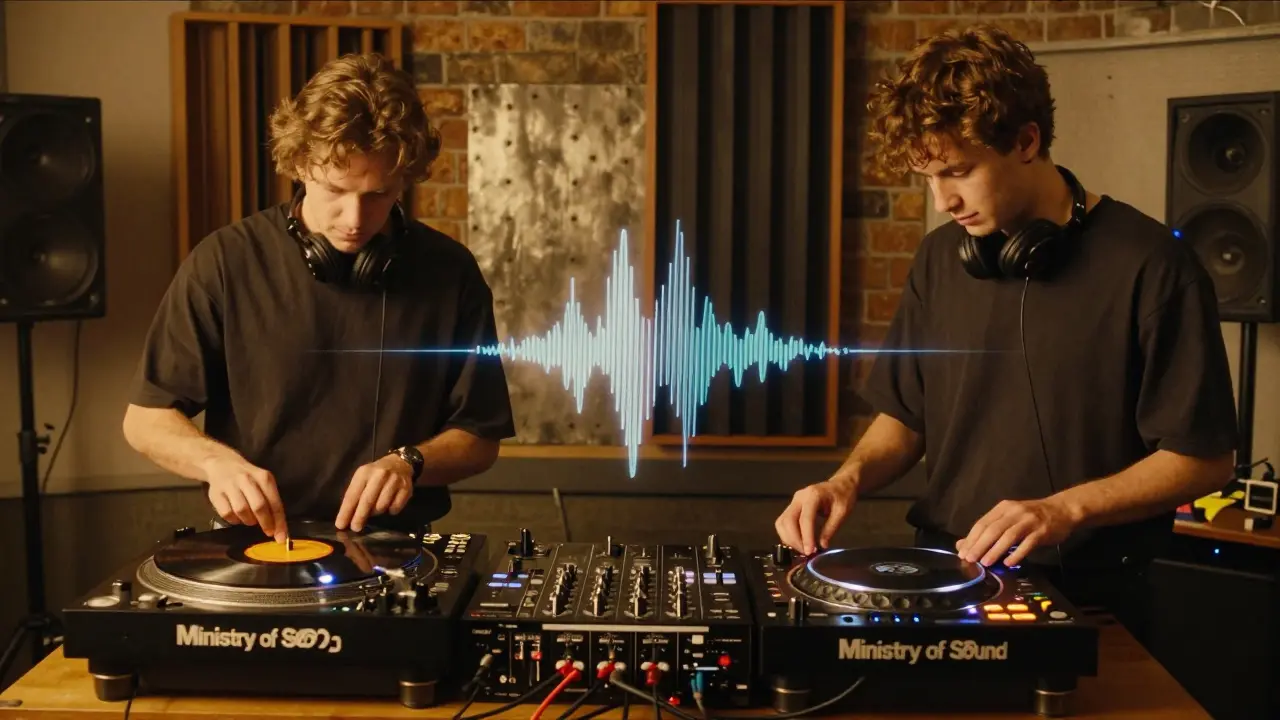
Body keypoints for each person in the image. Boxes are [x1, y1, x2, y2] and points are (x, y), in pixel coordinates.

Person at [774, 25, 1238, 636]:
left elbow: (1204, 461)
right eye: (929, 178)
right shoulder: (942, 259)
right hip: (943, 577)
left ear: (1026, 140)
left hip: (1094, 595)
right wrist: (845, 480)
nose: (943, 201)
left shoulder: (1152, 264)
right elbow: (907, 418)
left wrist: (1063, 509)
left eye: (959, 172)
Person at [123, 53, 516, 542]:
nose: (355, 218)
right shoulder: (225, 261)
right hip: (259, 547)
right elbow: (145, 420)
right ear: (300, 164)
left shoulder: (450, 272)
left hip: (396, 551)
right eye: (336, 189)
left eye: (378, 195)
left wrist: (409, 462)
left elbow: (480, 437)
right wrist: (216, 463)